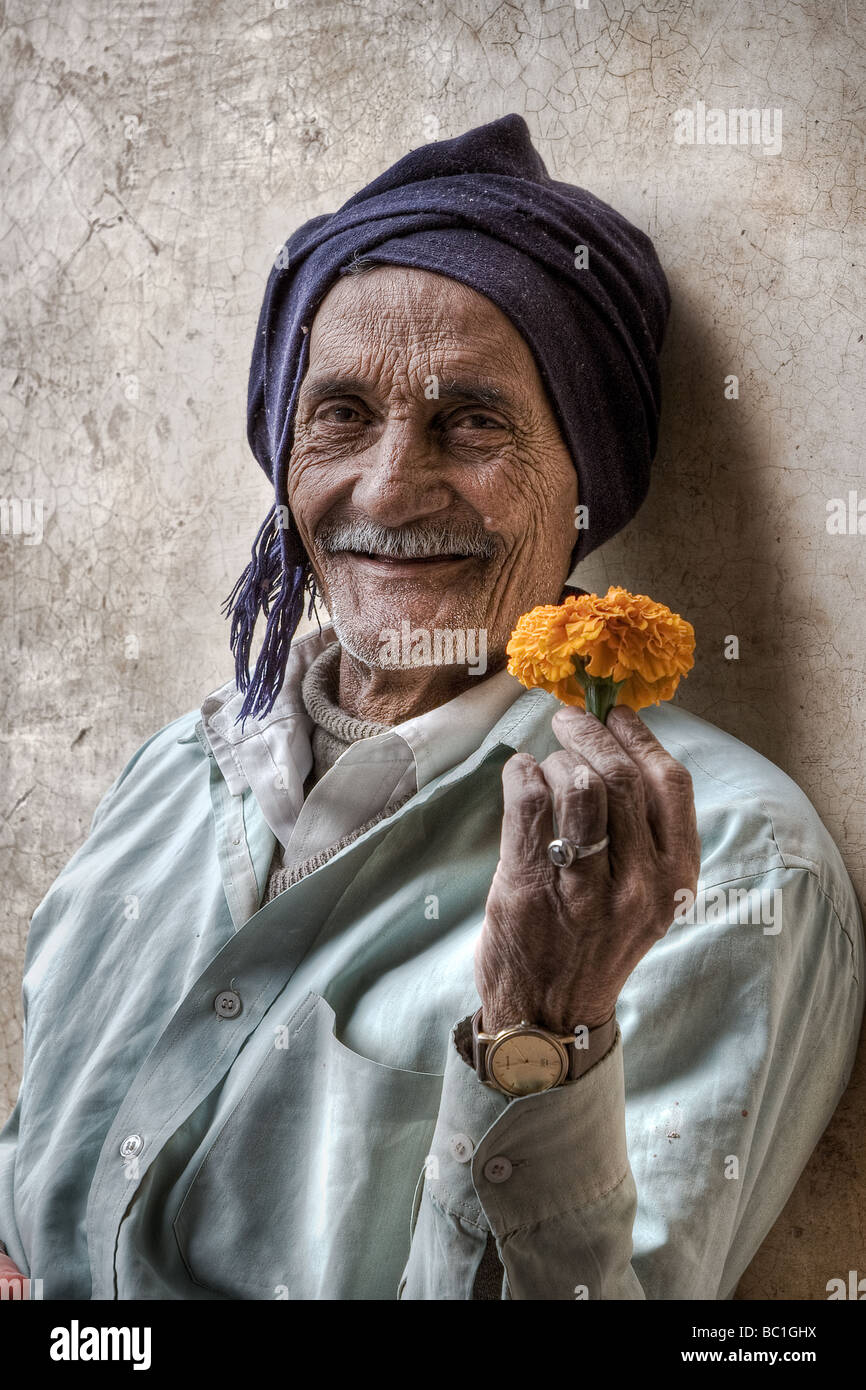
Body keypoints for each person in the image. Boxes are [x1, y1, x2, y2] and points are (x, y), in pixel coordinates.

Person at [0, 115, 862, 1301]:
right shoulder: (173, 770)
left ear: (583, 487)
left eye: (472, 422)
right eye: (341, 415)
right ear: (284, 452)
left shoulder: (723, 868)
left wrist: (538, 1037)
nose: (389, 488)